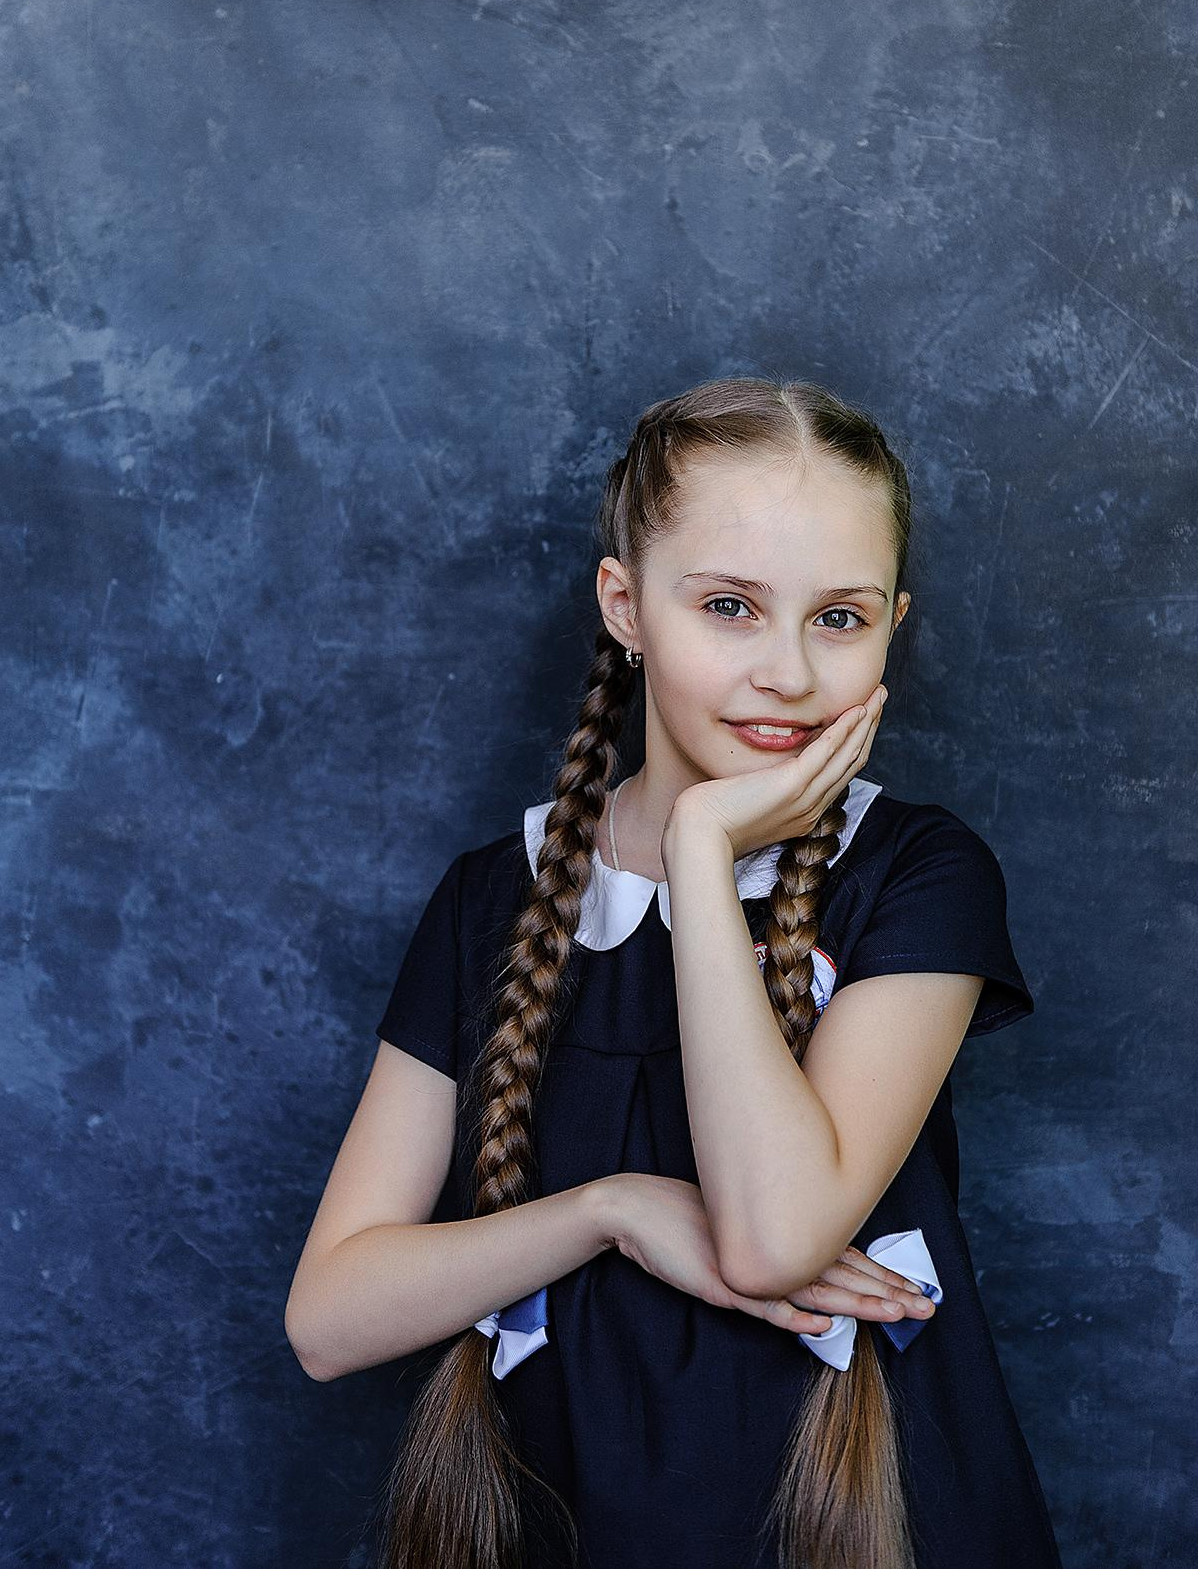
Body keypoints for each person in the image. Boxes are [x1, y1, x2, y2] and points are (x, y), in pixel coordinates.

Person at [284, 376, 1064, 1569]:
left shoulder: (918, 872)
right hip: (565, 1521)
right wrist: (610, 1211)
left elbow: (772, 1239)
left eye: (839, 618)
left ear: (893, 625)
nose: (788, 672)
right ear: (627, 605)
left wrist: (701, 850)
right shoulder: (491, 897)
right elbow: (330, 1319)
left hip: (863, 1523)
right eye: (730, 607)